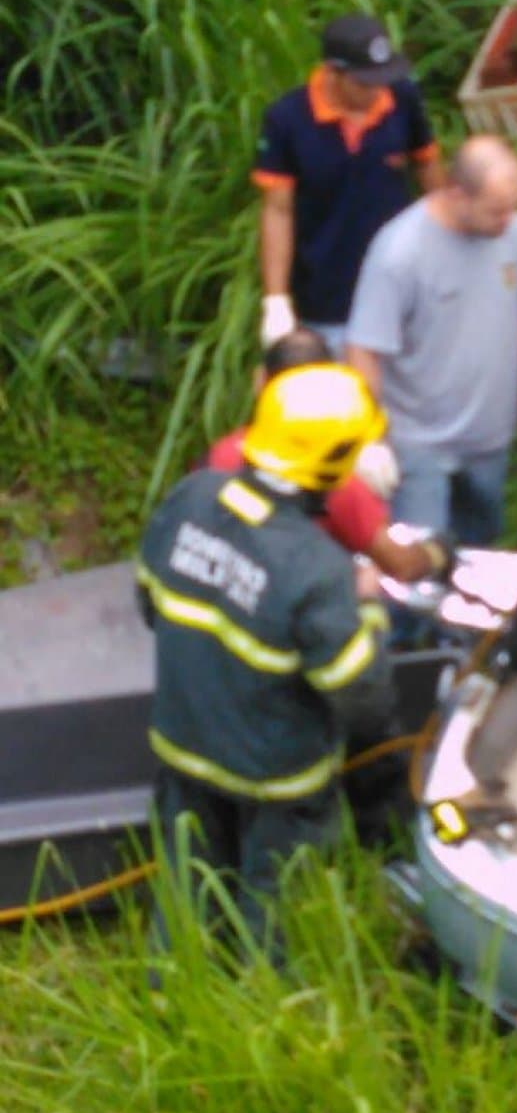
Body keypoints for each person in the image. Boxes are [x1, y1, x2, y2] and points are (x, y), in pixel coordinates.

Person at [138, 363, 394, 963]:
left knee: (185, 888)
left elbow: (151, 604)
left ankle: (171, 997)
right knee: (274, 909)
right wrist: (371, 612)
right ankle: (262, 1012)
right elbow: (364, 698)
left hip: (186, 745)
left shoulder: (191, 498)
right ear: (331, 466)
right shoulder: (317, 569)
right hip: (279, 780)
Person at [346, 136, 517, 548]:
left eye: (513, 208)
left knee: (480, 545)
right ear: (456, 193)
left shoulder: (515, 233)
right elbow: (364, 348)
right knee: (420, 559)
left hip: (489, 434)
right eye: (496, 211)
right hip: (418, 441)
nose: (508, 221)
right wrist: (368, 439)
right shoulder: (400, 253)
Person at [252, 13, 444, 358]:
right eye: (364, 83)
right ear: (332, 72)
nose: (376, 92)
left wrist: (448, 240)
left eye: (382, 80)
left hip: (401, 290)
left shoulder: (402, 99)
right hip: (327, 297)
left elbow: (428, 166)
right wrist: (276, 299)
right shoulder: (287, 119)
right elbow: (278, 209)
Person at [205, 327, 455, 585]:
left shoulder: (220, 454)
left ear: (260, 383)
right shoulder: (337, 482)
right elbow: (402, 566)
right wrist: (438, 552)